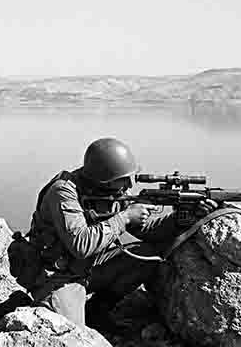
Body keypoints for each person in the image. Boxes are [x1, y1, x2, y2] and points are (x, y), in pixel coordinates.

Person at [25, 137, 218, 329]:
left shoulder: (112, 192)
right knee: (70, 332)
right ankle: (32, 303)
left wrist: (182, 219)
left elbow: (148, 231)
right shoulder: (64, 192)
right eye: (123, 180)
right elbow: (81, 245)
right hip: (56, 275)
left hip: (90, 267)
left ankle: (97, 312)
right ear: (105, 180)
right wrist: (125, 217)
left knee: (147, 255)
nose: (129, 186)